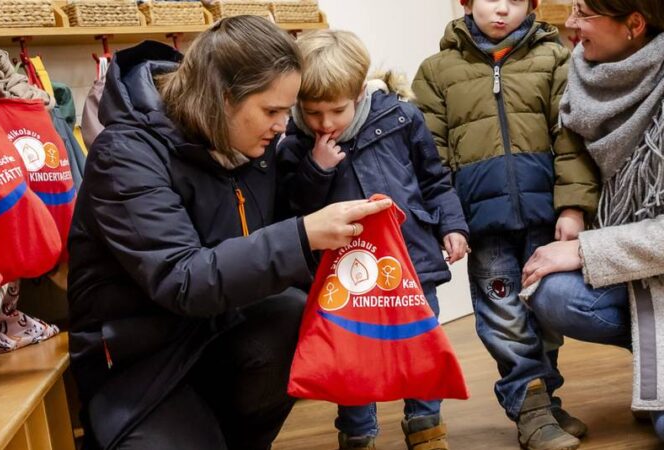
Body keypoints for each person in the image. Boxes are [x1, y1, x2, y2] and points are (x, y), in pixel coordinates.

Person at [66, 16, 393, 450]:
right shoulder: (125, 154)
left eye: (287, 111)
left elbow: (265, 246)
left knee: (292, 313)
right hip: (139, 364)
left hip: (214, 332)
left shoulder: (248, 147)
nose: (283, 126)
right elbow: (182, 278)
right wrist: (303, 235)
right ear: (222, 97)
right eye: (272, 111)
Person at [412, 0, 602, 448]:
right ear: (465, 2)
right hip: (484, 226)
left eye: (515, 0)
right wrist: (448, 221)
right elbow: (430, 157)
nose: (501, 10)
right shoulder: (437, 71)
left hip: (545, 220)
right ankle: (530, 409)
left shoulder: (555, 58)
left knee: (545, 315)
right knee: (504, 317)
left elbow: (570, 139)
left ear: (532, 4)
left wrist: (573, 207)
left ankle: (545, 401)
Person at [278, 30, 469, 450]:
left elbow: (434, 180)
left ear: (360, 93)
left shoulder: (402, 118)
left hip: (411, 261)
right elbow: (294, 207)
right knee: (350, 353)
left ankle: (425, 425)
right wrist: (317, 168)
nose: (325, 123)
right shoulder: (294, 142)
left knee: (418, 345)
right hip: (343, 275)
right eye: (312, 112)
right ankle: (358, 433)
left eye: (336, 110)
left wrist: (452, 226)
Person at [521, 0, 664, 441]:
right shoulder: (581, 77)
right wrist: (574, 209)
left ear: (634, 24)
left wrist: (584, 250)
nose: (569, 23)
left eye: (583, 13)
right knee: (553, 291)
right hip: (648, 275)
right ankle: (654, 356)